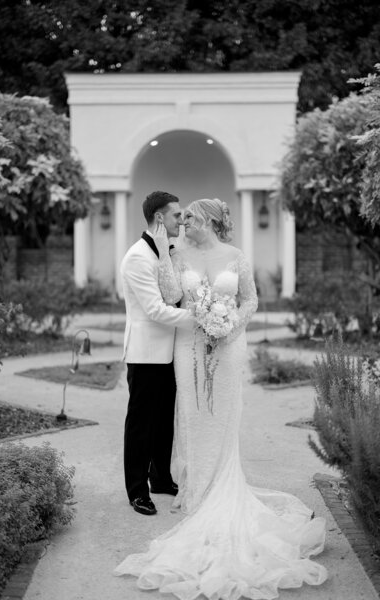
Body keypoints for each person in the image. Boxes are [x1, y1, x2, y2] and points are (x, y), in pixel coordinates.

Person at [115, 198, 327, 600]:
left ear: (210, 220)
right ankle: (193, 487)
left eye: (190, 216)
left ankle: (207, 483)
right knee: (191, 415)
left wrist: (228, 326)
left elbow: (251, 300)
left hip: (227, 345)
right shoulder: (174, 254)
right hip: (188, 345)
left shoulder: (236, 256)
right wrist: (197, 307)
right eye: (181, 215)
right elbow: (173, 296)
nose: (185, 222)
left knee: (223, 415)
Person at [120, 190, 195, 517]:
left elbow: (175, 294)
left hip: (170, 352)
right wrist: (200, 319)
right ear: (160, 218)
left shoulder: (168, 251)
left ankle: (161, 478)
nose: (182, 219)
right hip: (146, 353)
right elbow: (154, 310)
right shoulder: (138, 257)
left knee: (164, 420)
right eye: (177, 215)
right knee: (141, 424)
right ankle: (137, 490)